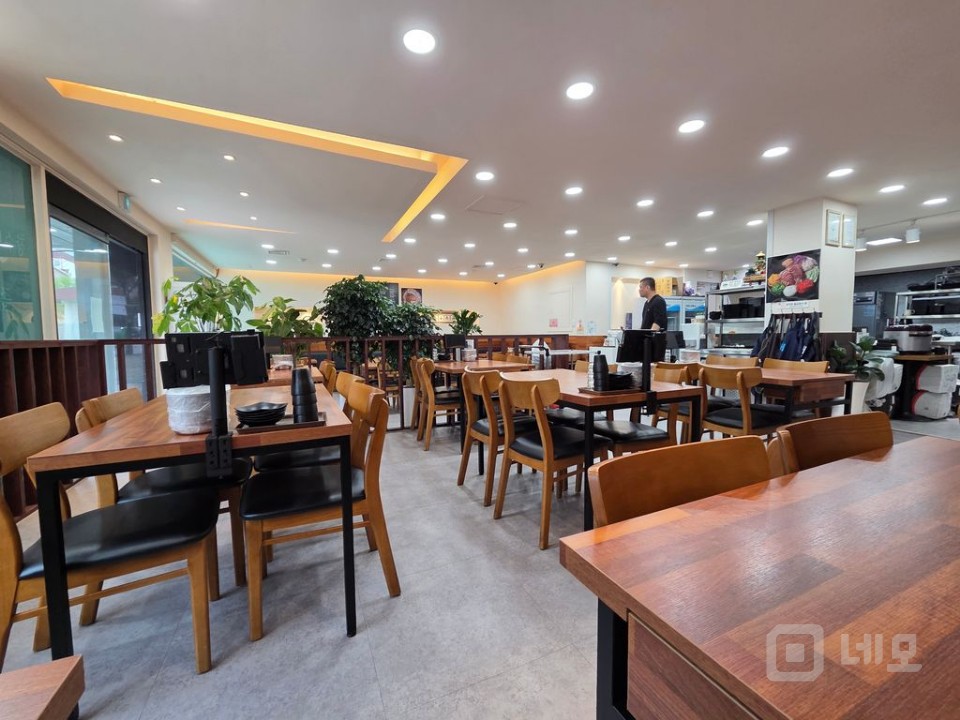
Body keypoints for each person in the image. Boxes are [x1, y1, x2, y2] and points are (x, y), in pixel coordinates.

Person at [638, 277, 667, 361]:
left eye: (641, 287)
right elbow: (645, 323)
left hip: (655, 346)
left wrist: (648, 339)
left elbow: (657, 324)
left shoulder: (658, 301)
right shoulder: (647, 303)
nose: (639, 290)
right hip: (646, 344)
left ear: (647, 287)